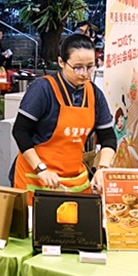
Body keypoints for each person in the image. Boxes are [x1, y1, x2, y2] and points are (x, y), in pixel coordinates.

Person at [11, 34, 117, 195]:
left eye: (90, 67)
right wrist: (40, 169)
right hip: (37, 178)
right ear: (61, 62)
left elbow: (108, 136)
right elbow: (20, 131)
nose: (85, 73)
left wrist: (103, 168)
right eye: (78, 67)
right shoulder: (43, 89)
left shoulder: (95, 94)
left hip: (75, 180)